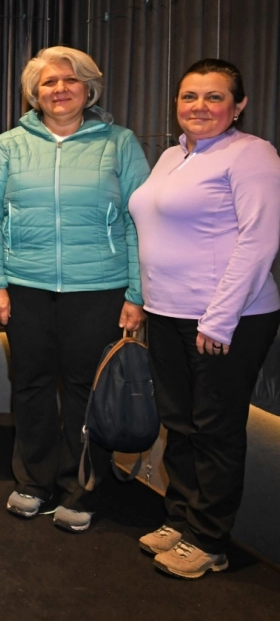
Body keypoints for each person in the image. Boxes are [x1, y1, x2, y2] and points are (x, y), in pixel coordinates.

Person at [0, 46, 149, 533]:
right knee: (30, 386)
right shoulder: (9, 145)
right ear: (35, 93)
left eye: (71, 80)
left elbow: (141, 220)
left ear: (89, 89)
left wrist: (137, 294)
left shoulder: (119, 142)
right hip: (25, 287)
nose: (60, 89)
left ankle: (81, 486)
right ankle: (34, 481)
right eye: (49, 82)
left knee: (85, 391)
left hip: (100, 287)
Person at [128, 58, 280, 579]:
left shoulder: (252, 154)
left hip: (226, 319)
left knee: (215, 428)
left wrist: (220, 319)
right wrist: (142, 299)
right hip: (167, 311)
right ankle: (181, 519)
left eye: (214, 97)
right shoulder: (173, 155)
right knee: (179, 423)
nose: (200, 106)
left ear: (238, 106)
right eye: (189, 96)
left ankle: (210, 539)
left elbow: (259, 241)